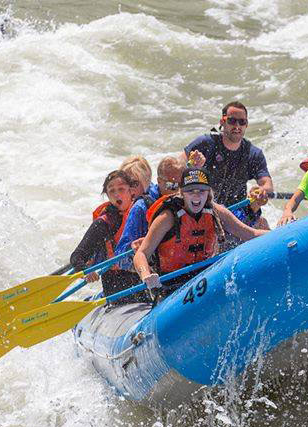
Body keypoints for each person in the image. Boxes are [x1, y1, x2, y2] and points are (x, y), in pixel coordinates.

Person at [134, 167, 268, 298]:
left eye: (202, 191)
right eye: (190, 190)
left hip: (206, 277)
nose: (196, 195)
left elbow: (251, 234)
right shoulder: (167, 217)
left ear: (208, 193)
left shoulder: (216, 211)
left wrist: (280, 233)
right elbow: (141, 253)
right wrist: (146, 275)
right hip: (172, 285)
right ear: (182, 193)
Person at [184, 101, 273, 213]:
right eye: (232, 121)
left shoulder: (253, 154)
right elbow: (178, 164)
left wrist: (261, 191)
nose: (237, 126)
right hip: (203, 208)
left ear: (246, 124)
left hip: (236, 211)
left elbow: (267, 184)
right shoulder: (205, 143)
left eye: (242, 122)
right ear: (222, 122)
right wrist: (190, 166)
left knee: (261, 219)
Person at [69, 170, 144, 297]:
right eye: (112, 191)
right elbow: (76, 257)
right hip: (116, 288)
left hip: (145, 280)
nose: (117, 194)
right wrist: (86, 271)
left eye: (121, 189)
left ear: (131, 191)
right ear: (108, 196)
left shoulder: (143, 210)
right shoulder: (103, 223)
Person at [114, 155, 186, 263]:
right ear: (159, 181)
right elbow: (120, 258)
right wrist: (134, 248)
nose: (179, 190)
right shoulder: (141, 208)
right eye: (172, 185)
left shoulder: (192, 198)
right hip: (153, 268)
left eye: (183, 184)